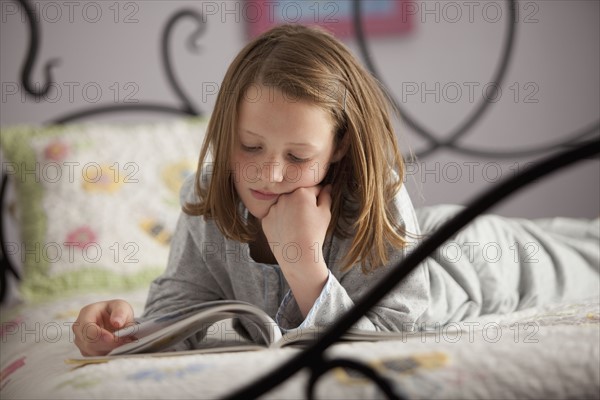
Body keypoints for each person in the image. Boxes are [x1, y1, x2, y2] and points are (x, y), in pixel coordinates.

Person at [73, 24, 600, 356]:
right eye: (249, 146)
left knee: (585, 252)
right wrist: (125, 329)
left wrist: (303, 264)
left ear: (340, 147)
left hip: (468, 260)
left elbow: (393, 333)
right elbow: (182, 304)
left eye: (299, 157)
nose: (269, 174)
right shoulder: (211, 196)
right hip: (426, 237)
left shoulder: (375, 192)